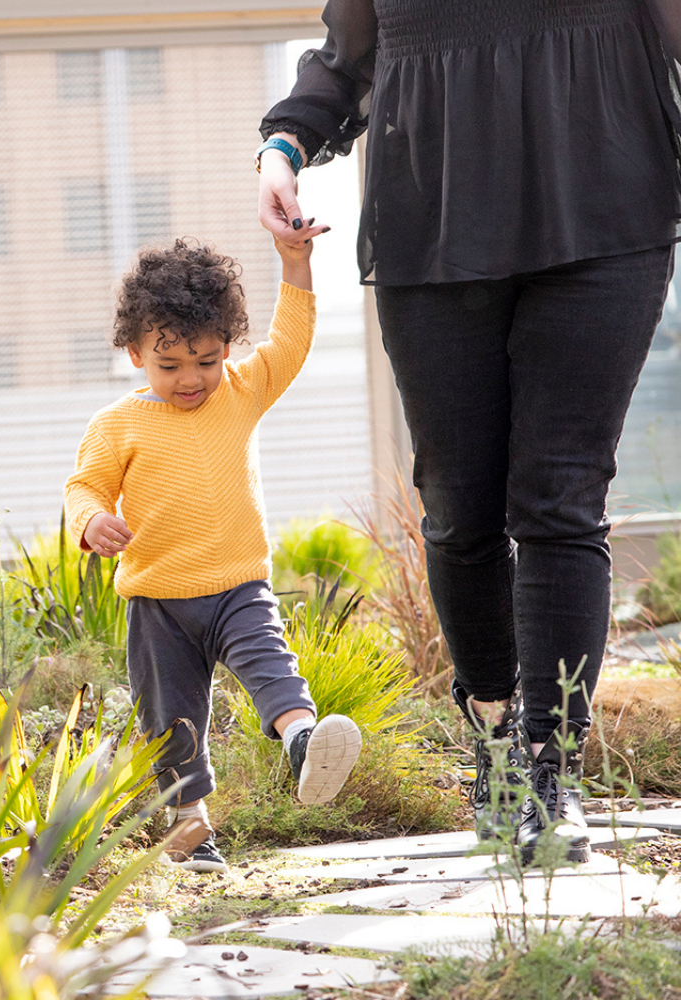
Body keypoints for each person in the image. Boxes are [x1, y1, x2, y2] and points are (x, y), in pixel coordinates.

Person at [258, 0, 681, 865]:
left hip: (605, 207)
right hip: (434, 216)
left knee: (561, 498)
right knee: (457, 505)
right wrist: (283, 146)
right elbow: (348, 56)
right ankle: (493, 725)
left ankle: (546, 773)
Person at [64, 236, 360, 875]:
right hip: (157, 601)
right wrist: (90, 521)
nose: (191, 379)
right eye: (168, 365)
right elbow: (83, 486)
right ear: (135, 352)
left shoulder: (243, 390)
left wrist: (295, 262)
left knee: (272, 667)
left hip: (237, 585)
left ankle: (303, 744)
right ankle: (191, 827)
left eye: (205, 360)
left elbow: (291, 342)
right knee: (171, 720)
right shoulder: (116, 425)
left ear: (227, 345)